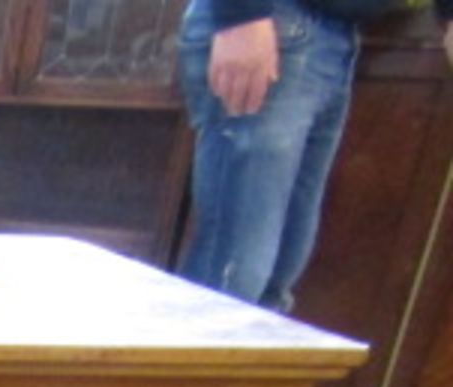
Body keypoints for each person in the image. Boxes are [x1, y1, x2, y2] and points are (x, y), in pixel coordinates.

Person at [177, 0, 453, 312]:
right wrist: (241, 17)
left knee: (269, 284)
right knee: (231, 281)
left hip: (327, 36)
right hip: (273, 20)